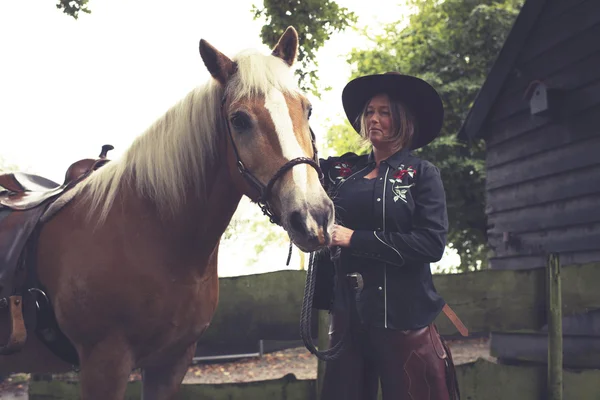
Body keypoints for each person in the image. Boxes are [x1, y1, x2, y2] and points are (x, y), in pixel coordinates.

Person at [312, 72, 463, 400]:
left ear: (403, 120)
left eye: (384, 112)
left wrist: (355, 239)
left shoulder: (422, 174)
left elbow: (432, 243)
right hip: (347, 318)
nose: (374, 118)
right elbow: (297, 173)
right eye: (369, 111)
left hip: (404, 318)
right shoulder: (342, 171)